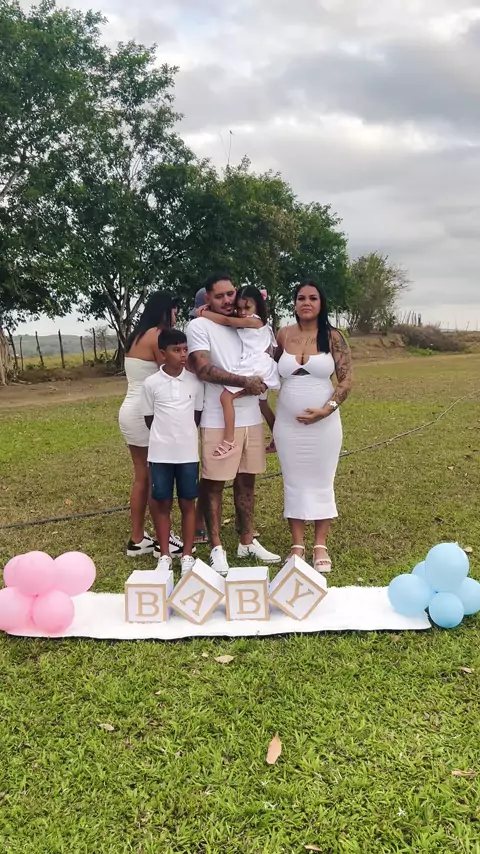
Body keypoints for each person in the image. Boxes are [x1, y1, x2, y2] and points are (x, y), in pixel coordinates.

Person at [187, 272, 281, 574]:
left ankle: (247, 541)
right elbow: (202, 368)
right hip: (218, 417)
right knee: (214, 482)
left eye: (231, 294)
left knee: (247, 480)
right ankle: (216, 547)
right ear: (208, 298)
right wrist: (244, 381)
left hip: (250, 415)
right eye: (220, 296)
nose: (227, 300)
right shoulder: (199, 326)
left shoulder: (243, 322)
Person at [273, 279, 353, 572]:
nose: (306, 303)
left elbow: (347, 379)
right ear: (294, 304)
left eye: (312, 298)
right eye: (300, 298)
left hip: (324, 425)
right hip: (287, 425)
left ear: (321, 303)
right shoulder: (283, 335)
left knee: (322, 480)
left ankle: (320, 544)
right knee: (292, 481)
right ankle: (297, 544)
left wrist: (326, 410)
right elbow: (266, 371)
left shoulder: (333, 337)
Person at [118, 292, 183, 558]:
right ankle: (162, 539)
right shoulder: (158, 336)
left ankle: (137, 539)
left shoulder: (136, 336)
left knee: (141, 477)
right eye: (174, 310)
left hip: (129, 409)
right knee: (156, 478)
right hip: (145, 413)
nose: (176, 315)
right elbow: (173, 370)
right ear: (165, 311)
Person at [141, 329, 204, 577]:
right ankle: (165, 555)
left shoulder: (195, 382)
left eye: (185, 349)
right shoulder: (151, 384)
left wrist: (182, 437)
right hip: (160, 454)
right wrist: (165, 439)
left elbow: (196, 415)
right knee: (162, 503)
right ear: (162, 353)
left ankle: (187, 554)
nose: (183, 354)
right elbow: (149, 418)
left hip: (188, 454)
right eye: (176, 350)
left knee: (188, 502)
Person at [196, 284, 279, 458]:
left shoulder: (255, 321)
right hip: (255, 365)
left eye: (247, 308)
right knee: (259, 403)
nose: (242, 313)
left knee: (226, 397)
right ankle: (277, 437)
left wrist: (203, 313)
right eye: (239, 308)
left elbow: (227, 321)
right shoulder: (250, 319)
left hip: (255, 366)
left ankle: (228, 440)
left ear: (258, 306)